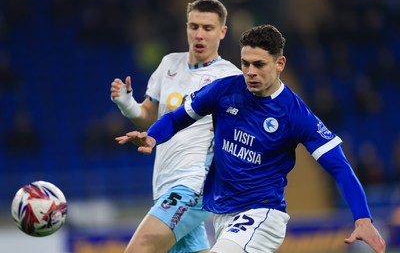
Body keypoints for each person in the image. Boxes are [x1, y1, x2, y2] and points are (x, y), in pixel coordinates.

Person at [115, 24, 386, 253]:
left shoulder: (294, 113)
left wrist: (362, 217)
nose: (250, 72)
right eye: (245, 64)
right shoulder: (226, 90)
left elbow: (338, 165)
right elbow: (178, 117)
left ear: (279, 63)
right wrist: (153, 137)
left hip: (262, 214)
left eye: (259, 64)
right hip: (221, 213)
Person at [110, 0, 241, 253]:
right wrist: (127, 104)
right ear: (186, 27)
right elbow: (149, 115)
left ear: (222, 32)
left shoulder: (230, 77)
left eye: (208, 28)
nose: (199, 34)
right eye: (194, 26)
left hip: (194, 184)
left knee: (140, 249)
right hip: (164, 184)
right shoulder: (169, 63)